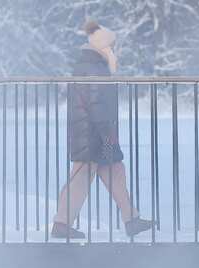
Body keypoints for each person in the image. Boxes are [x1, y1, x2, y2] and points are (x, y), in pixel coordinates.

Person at [53, 20, 153, 239]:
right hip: (93, 132)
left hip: (95, 130)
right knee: (82, 174)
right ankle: (61, 224)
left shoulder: (94, 64)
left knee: (114, 171)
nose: (113, 49)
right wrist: (107, 133)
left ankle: (131, 219)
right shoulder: (93, 67)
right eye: (111, 45)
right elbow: (96, 102)